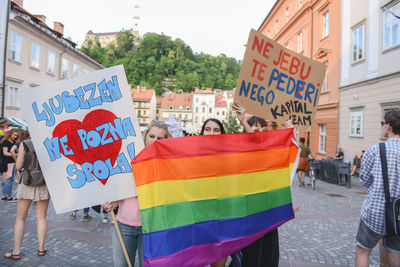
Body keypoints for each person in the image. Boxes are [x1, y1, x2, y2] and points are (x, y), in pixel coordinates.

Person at [103, 120, 172, 267]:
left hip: (151, 228)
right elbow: (118, 188)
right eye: (152, 136)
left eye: (160, 138)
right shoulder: (131, 158)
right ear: (145, 136)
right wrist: (111, 202)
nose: (155, 140)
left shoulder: (168, 164)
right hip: (123, 225)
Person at [355, 110, 400, 267]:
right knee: (396, 253)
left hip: (376, 210)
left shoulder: (375, 150)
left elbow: (364, 180)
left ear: (388, 126)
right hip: (399, 215)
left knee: (363, 251)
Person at [4, 132, 50, 260]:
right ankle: (41, 248)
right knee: (41, 218)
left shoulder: (25, 144)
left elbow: (18, 166)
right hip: (43, 183)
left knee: (20, 218)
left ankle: (16, 251)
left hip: (27, 182)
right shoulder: (49, 143)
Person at [1, 129, 19, 201]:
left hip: (12, 162)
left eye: (16, 135)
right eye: (14, 135)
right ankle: (8, 196)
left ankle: (4, 195)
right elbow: (5, 153)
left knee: (9, 178)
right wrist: (15, 154)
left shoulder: (14, 142)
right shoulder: (5, 142)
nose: (15, 136)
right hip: (8, 162)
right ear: (10, 134)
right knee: (9, 179)